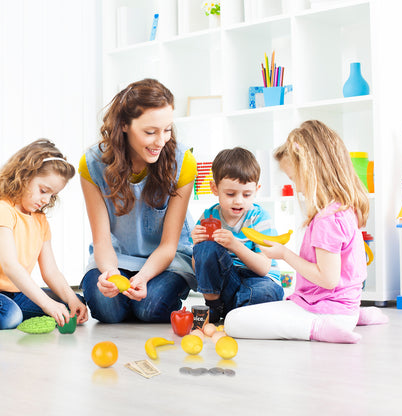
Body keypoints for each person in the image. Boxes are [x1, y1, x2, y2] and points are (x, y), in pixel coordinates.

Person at [224, 120, 388, 343]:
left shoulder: (327, 219)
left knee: (233, 321)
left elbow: (328, 279)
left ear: (311, 171)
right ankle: (356, 314)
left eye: (294, 178)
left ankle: (317, 329)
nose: (296, 187)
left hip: (326, 312)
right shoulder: (343, 208)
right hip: (342, 307)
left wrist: (284, 254)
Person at [79, 78, 197, 323]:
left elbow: (168, 246)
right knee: (106, 307)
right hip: (116, 257)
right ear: (124, 125)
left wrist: (142, 278)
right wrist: (110, 274)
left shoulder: (183, 162)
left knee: (150, 308)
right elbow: (102, 242)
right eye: (150, 132)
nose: (161, 141)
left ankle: (142, 301)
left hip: (166, 261)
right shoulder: (91, 165)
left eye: (167, 129)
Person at [0, 139, 88, 330]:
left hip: (17, 292)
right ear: (24, 175)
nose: (46, 200)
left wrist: (71, 300)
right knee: (10, 316)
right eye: (43, 191)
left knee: (73, 304)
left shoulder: (40, 220)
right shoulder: (3, 209)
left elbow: (50, 271)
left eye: (52, 195)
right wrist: (47, 304)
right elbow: (10, 266)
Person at [191, 147, 284, 323]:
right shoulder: (208, 216)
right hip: (225, 283)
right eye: (230, 194)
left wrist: (235, 245)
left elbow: (264, 268)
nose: (239, 200)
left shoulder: (259, 217)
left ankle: (233, 310)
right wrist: (198, 247)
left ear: (256, 190)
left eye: (247, 194)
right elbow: (199, 270)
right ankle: (216, 307)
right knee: (204, 247)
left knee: (267, 293)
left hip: (257, 279)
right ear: (214, 188)